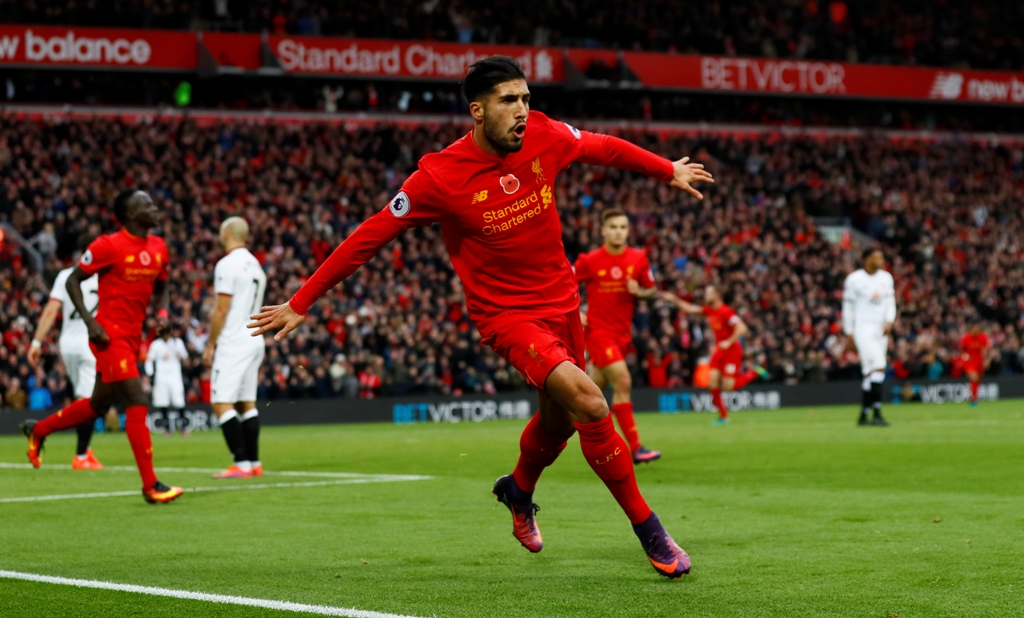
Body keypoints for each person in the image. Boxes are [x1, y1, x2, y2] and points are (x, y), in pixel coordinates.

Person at [248, 56, 713, 578]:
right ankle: (652, 533)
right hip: (507, 316)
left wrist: (665, 168)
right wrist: (301, 302)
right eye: (508, 101)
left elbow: (600, 146)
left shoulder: (543, 133)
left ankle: (518, 489)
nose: (523, 111)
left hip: (562, 304)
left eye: (526, 99)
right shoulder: (439, 176)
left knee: (558, 424)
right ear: (477, 110)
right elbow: (371, 235)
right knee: (589, 400)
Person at [21, 190, 184, 504]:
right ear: (131, 215)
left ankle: (39, 430)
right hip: (108, 336)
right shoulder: (108, 245)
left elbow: (162, 286)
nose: (155, 207)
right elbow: (72, 281)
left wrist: (162, 314)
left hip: (133, 337)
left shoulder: (159, 246)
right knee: (137, 397)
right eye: (147, 204)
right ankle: (151, 485)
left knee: (97, 404)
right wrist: (90, 322)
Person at [574, 208, 661, 463]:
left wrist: (640, 291)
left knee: (585, 396)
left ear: (628, 231)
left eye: (623, 227)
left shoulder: (638, 258)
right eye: (613, 227)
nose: (618, 232)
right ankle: (636, 448)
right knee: (623, 381)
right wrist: (575, 311)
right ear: (603, 231)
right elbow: (564, 284)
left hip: (623, 334)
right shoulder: (589, 260)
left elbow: (652, 291)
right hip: (599, 333)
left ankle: (551, 433)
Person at [27, 233, 104, 470]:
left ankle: (84, 451)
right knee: (90, 402)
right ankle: (80, 455)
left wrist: (37, 342)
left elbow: (51, 311)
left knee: (85, 397)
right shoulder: (103, 276)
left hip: (68, 344)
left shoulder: (65, 275)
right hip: (90, 343)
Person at [202, 217, 267, 479]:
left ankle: (240, 463)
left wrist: (210, 344)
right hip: (254, 338)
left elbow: (222, 309)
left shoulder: (226, 264)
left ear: (226, 233)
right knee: (246, 403)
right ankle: (253, 462)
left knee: (220, 402)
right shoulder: (256, 265)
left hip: (234, 340)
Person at [662, 285, 761, 423]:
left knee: (729, 387)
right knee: (712, 382)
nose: (705, 296)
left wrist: (729, 341)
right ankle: (724, 417)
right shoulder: (709, 311)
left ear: (716, 295)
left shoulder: (727, 312)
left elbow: (742, 328)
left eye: (708, 293)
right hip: (719, 350)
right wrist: (674, 299)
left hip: (731, 350)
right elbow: (690, 309)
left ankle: (753, 372)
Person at [842, 247, 897, 426]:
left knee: (869, 373)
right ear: (867, 259)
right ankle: (878, 413)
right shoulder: (854, 279)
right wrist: (849, 332)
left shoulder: (886, 278)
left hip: (881, 330)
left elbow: (890, 302)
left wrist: (890, 321)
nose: (881, 259)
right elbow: (848, 308)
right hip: (863, 329)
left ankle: (864, 415)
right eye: (877, 257)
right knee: (879, 367)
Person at [145, 324, 189, 436]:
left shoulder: (177, 343)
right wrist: (149, 374)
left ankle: (183, 427)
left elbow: (185, 357)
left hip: (175, 376)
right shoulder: (155, 345)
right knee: (162, 401)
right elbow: (149, 360)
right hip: (161, 377)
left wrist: (181, 356)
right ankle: (167, 428)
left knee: (179, 400)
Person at [959, 321, 990, 407]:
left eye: (977, 328)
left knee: (978, 380)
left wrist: (987, 360)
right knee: (974, 377)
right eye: (974, 328)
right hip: (970, 360)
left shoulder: (983, 337)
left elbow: (987, 349)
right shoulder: (966, 338)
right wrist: (965, 356)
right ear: (971, 329)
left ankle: (974, 397)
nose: (976, 330)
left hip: (979, 360)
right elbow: (961, 350)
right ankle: (973, 399)